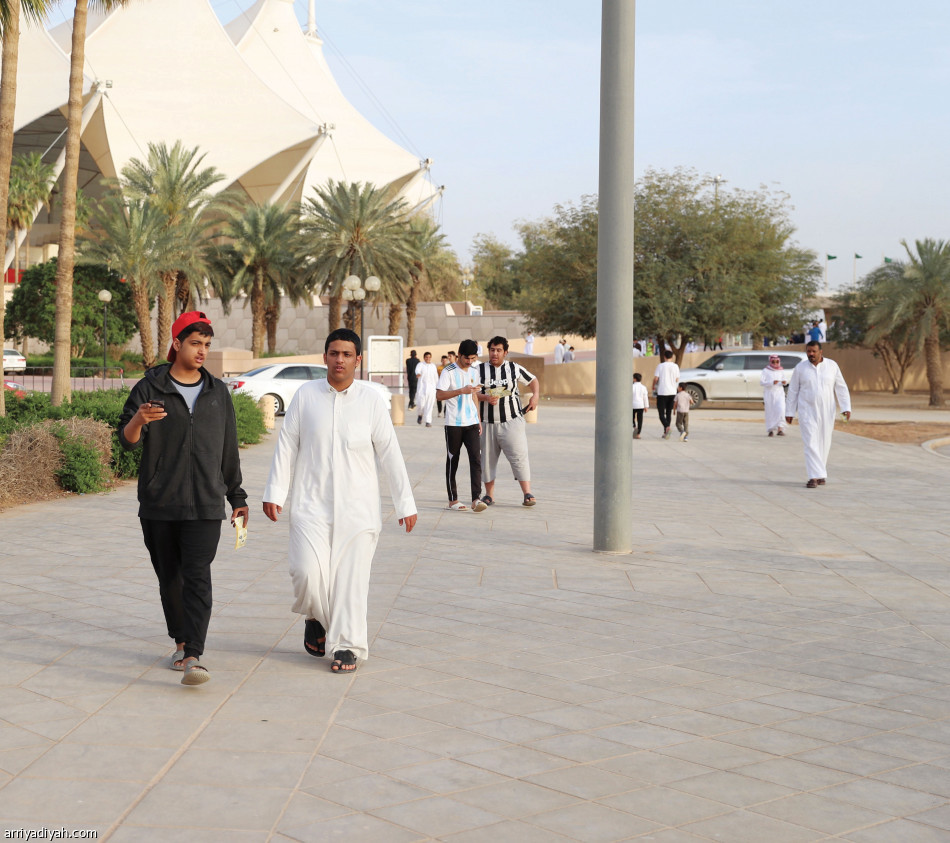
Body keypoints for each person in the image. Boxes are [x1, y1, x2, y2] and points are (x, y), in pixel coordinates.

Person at [263, 329, 417, 673]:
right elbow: (286, 445)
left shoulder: (371, 402)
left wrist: (405, 503)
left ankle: (346, 646)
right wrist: (275, 492)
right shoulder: (306, 396)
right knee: (305, 573)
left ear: (358, 360)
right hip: (309, 504)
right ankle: (316, 616)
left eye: (347, 354)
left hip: (359, 510)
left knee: (351, 580)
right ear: (325, 357)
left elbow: (390, 454)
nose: (339, 360)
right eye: (334, 353)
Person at [119, 311, 248, 687]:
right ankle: (180, 641)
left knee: (197, 576)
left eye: (207, 345)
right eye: (195, 343)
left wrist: (236, 495)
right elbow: (126, 441)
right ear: (176, 344)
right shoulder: (149, 388)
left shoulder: (217, 392)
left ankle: (193, 654)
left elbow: (228, 449)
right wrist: (139, 420)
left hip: (207, 503)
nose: (202, 351)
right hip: (160, 503)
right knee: (170, 578)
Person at [476, 336, 540, 507]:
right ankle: (489, 495)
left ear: (505, 352)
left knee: (519, 456)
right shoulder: (478, 370)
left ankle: (527, 493)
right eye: (492, 350)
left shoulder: (514, 368)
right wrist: (485, 397)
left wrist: (535, 396)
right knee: (487, 460)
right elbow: (471, 393)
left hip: (512, 421)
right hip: (487, 423)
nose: (494, 353)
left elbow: (533, 380)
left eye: (498, 350)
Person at [785, 341, 852, 488]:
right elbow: (793, 391)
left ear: (820, 352)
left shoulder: (832, 366)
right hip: (806, 411)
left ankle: (820, 473)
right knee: (810, 442)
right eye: (809, 351)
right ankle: (813, 477)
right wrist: (789, 411)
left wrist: (846, 407)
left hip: (827, 411)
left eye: (814, 351)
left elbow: (841, 387)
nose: (811, 354)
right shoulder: (800, 368)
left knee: (824, 442)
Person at [436, 339, 486, 512]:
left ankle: (476, 499)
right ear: (459, 355)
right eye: (467, 358)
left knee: (476, 460)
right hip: (454, 424)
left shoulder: (474, 370)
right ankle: (453, 500)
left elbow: (474, 396)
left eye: (473, 358)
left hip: (472, 423)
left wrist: (478, 418)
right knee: (453, 460)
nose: (470, 362)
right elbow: (439, 395)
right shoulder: (448, 371)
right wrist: (460, 391)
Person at [651, 350, 680, 439]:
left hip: (662, 392)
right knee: (668, 413)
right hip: (672, 392)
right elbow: (677, 379)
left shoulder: (660, 366)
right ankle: (666, 432)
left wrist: (653, 386)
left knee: (661, 413)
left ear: (664, 356)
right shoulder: (675, 366)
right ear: (672, 357)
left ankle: (667, 427)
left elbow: (656, 378)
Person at [760, 354, 789, 437]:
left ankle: (780, 429)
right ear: (770, 361)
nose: (775, 363)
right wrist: (771, 382)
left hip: (779, 393)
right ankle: (770, 430)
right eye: (773, 361)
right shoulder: (765, 370)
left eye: (777, 361)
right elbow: (762, 382)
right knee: (770, 412)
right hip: (769, 394)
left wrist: (784, 382)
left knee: (781, 410)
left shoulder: (781, 370)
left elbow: (785, 379)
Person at [415, 351, 439, 426]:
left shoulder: (433, 366)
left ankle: (428, 421)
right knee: (421, 404)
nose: (428, 358)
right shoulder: (420, 364)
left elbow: (436, 377)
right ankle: (420, 415)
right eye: (426, 357)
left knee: (429, 405)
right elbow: (417, 370)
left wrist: (438, 387)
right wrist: (418, 374)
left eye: (429, 357)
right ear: (424, 358)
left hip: (432, 389)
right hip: (422, 388)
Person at [631, 372, 649, 438]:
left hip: (632, 405)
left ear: (634, 379)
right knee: (640, 419)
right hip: (640, 405)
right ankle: (638, 434)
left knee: (631, 417)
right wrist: (646, 406)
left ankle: (634, 426)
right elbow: (645, 397)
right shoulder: (643, 387)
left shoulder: (631, 386)